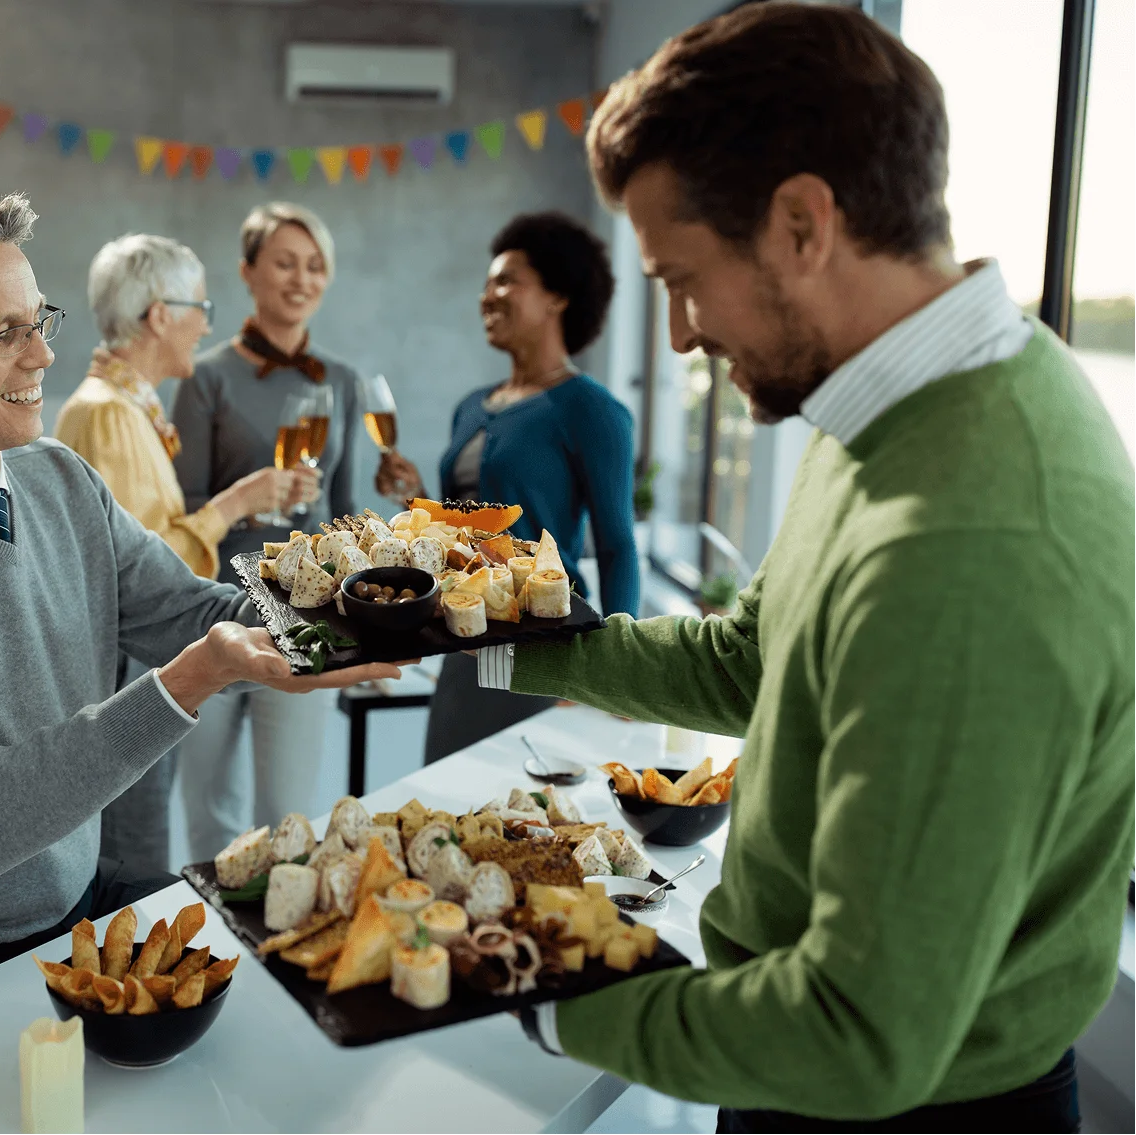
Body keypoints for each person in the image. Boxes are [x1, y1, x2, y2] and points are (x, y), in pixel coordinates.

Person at [486, 7, 1136, 1132]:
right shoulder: (903, 401)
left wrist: (550, 998)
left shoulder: (971, 544)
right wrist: (488, 640)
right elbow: (755, 654)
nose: (679, 335)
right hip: (806, 1070)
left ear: (801, 223)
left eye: (682, 279)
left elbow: (856, 1033)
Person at [0, 188, 398, 1048]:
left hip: (68, 904)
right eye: (3, 333)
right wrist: (197, 676)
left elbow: (195, 610)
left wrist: (375, 607)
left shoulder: (59, 478)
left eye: (38, 319)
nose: (44, 354)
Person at [55, 233, 300, 873]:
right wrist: (236, 503)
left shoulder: (122, 410)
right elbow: (144, 575)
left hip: (125, 666)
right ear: (160, 314)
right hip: (127, 673)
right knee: (135, 853)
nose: (206, 324)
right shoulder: (109, 415)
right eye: (200, 306)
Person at [379, 212, 636, 762]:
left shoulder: (590, 410)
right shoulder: (472, 407)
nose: (487, 295)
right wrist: (417, 497)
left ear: (558, 297)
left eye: (507, 280)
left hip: (546, 642)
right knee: (446, 791)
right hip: (463, 635)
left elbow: (617, 548)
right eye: (487, 282)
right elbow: (468, 525)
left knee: (524, 815)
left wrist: (617, 672)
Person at [171, 202, 360, 861]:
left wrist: (360, 628)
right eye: (284, 262)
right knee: (210, 824)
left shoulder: (342, 381)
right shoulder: (205, 378)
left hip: (305, 624)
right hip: (213, 618)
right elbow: (184, 511)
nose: (301, 278)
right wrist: (251, 505)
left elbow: (345, 513)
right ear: (249, 272)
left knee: (290, 823)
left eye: (315, 266)